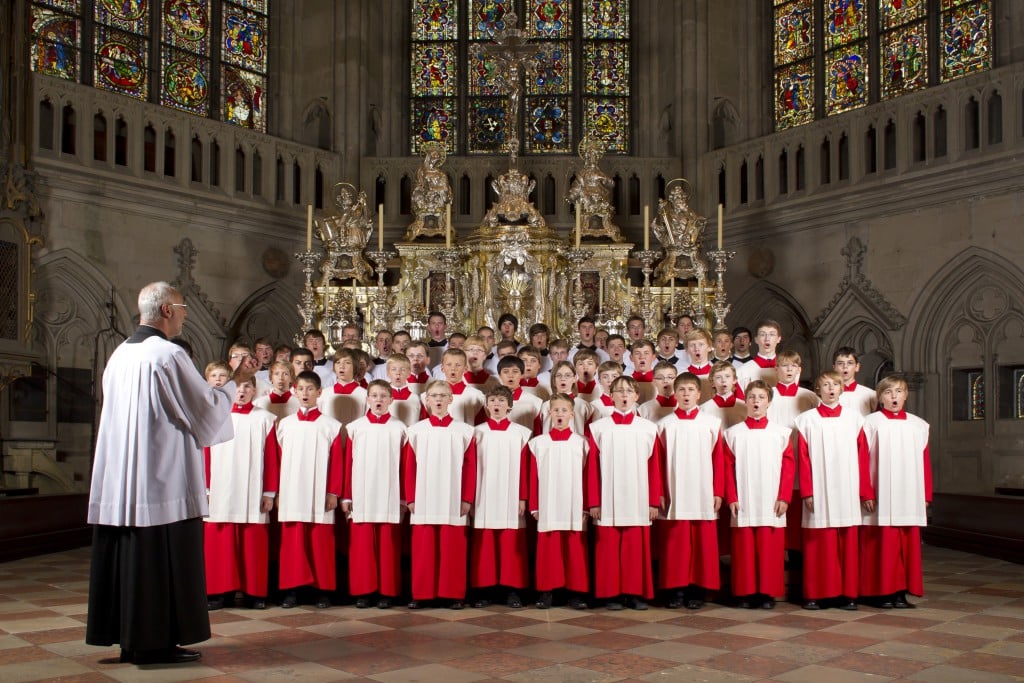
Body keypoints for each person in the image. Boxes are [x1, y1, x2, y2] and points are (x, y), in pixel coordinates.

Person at [87, 281, 257, 665]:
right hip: (162, 477)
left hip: (122, 477)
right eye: (181, 307)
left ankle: (130, 640)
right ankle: (155, 643)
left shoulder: (120, 355)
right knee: (161, 558)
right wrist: (236, 379)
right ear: (166, 310)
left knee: (131, 557)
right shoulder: (166, 354)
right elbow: (204, 409)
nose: (184, 314)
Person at [586, 376, 663, 610]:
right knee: (608, 548)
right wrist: (594, 501)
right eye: (618, 391)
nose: (624, 396)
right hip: (608, 497)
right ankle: (611, 594)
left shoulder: (649, 428)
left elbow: (654, 467)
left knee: (634, 547)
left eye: (628, 391)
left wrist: (652, 501)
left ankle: (635, 593)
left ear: (637, 396)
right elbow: (592, 469)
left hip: (638, 497)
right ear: (611, 397)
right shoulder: (598, 428)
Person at [269, 371, 344, 609]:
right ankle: (292, 590)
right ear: (294, 391)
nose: (305, 394)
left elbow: (338, 462)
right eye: (301, 389)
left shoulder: (331, 426)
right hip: (291, 491)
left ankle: (322, 590)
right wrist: (277, 492)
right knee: (294, 542)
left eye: (310, 389)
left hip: (320, 491)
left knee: (320, 541)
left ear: (319, 393)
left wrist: (333, 491)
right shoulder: (284, 425)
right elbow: (277, 461)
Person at [203, 377, 279, 611]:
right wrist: (205, 487)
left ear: (255, 390)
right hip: (220, 487)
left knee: (252, 542)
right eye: (236, 387)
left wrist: (269, 492)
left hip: (252, 488)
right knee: (220, 543)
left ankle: (254, 593)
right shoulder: (214, 417)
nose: (241, 391)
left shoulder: (265, 419)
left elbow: (272, 457)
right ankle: (218, 592)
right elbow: (204, 455)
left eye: (247, 387)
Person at [795, 372, 868, 611]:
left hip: (847, 487)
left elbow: (863, 457)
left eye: (835, 384)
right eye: (825, 385)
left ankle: (847, 594)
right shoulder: (806, 420)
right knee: (819, 543)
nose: (830, 389)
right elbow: (803, 460)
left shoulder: (855, 419)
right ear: (818, 389)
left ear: (841, 388)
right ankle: (815, 594)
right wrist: (807, 492)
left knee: (846, 543)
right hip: (819, 488)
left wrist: (864, 492)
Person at [403, 380, 477, 609]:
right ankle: (422, 593)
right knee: (424, 548)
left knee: (452, 547)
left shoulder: (465, 431)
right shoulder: (415, 431)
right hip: (423, 496)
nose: (438, 399)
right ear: (426, 400)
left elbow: (470, 466)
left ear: (450, 399)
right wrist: (411, 497)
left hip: (453, 496)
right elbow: (409, 467)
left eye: (443, 395)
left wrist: (467, 498)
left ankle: (453, 593)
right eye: (433, 395)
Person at [859, 375, 931, 609]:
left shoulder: (918, 425)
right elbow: (861, 461)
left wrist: (926, 495)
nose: (894, 397)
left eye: (899, 392)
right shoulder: (870, 423)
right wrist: (866, 492)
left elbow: (925, 462)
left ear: (906, 395)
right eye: (888, 393)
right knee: (881, 545)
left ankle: (901, 592)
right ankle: (880, 593)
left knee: (906, 546)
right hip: (880, 495)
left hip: (909, 495)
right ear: (879, 397)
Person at [724, 380, 795, 609]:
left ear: (769, 402)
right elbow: (726, 468)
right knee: (744, 548)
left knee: (769, 549)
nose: (756, 401)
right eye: (752, 397)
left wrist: (784, 496)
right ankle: (745, 593)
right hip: (743, 498)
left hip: (771, 498)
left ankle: (767, 593)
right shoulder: (732, 434)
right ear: (745, 400)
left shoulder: (782, 433)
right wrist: (732, 497)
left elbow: (788, 468)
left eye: (761, 397)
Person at [657, 372, 724, 609]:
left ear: (700, 393)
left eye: (690, 390)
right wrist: (660, 492)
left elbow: (719, 460)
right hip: (674, 489)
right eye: (681, 390)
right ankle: (676, 590)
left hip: (703, 489)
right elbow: (658, 461)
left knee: (702, 542)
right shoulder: (664, 425)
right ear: (675, 394)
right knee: (676, 542)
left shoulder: (712, 423)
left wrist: (718, 491)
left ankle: (697, 589)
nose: (686, 394)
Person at [342, 380, 407, 609]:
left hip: (390, 493)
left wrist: (403, 499)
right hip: (362, 493)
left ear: (391, 400)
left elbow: (405, 466)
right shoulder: (355, 427)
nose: (378, 400)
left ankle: (387, 591)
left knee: (388, 546)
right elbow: (348, 464)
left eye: (383, 396)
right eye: (374, 396)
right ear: (367, 399)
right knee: (362, 546)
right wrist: (347, 496)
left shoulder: (400, 428)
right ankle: (364, 591)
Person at [470, 386, 532, 608]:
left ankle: (511, 590)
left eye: (501, 401)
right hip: (483, 493)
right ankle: (484, 590)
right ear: (486, 406)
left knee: (510, 543)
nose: (496, 404)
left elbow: (526, 469)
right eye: (492, 400)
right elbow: (470, 468)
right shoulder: (476, 432)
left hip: (511, 494)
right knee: (485, 543)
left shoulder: (522, 433)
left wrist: (523, 498)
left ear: (510, 405)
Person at [528, 393, 590, 610]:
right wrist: (534, 505)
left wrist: (586, 506)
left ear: (572, 415)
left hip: (575, 503)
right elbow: (532, 477)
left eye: (564, 411)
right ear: (549, 413)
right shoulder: (538, 444)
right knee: (549, 549)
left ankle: (576, 592)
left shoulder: (582, 444)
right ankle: (547, 591)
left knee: (574, 548)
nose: (560, 414)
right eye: (556, 410)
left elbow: (588, 477)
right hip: (548, 502)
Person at [319, 348, 367, 425]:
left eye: (347, 363)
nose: (341, 366)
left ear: (355, 367)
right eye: (338, 362)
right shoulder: (324, 394)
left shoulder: (364, 394)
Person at [736, 320, 783, 392]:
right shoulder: (742, 371)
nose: (767, 339)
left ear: (779, 339)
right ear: (756, 339)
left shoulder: (787, 370)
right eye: (762, 334)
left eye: (772, 334)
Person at [833, 347, 879, 416]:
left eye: (850, 363)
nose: (845, 367)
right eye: (840, 363)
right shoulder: (827, 394)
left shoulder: (870, 394)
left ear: (857, 367)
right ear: (834, 367)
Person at [700, 361, 746, 428]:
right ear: (712, 382)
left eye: (727, 376)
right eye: (718, 377)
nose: (723, 380)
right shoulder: (704, 409)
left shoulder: (744, 406)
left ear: (734, 380)